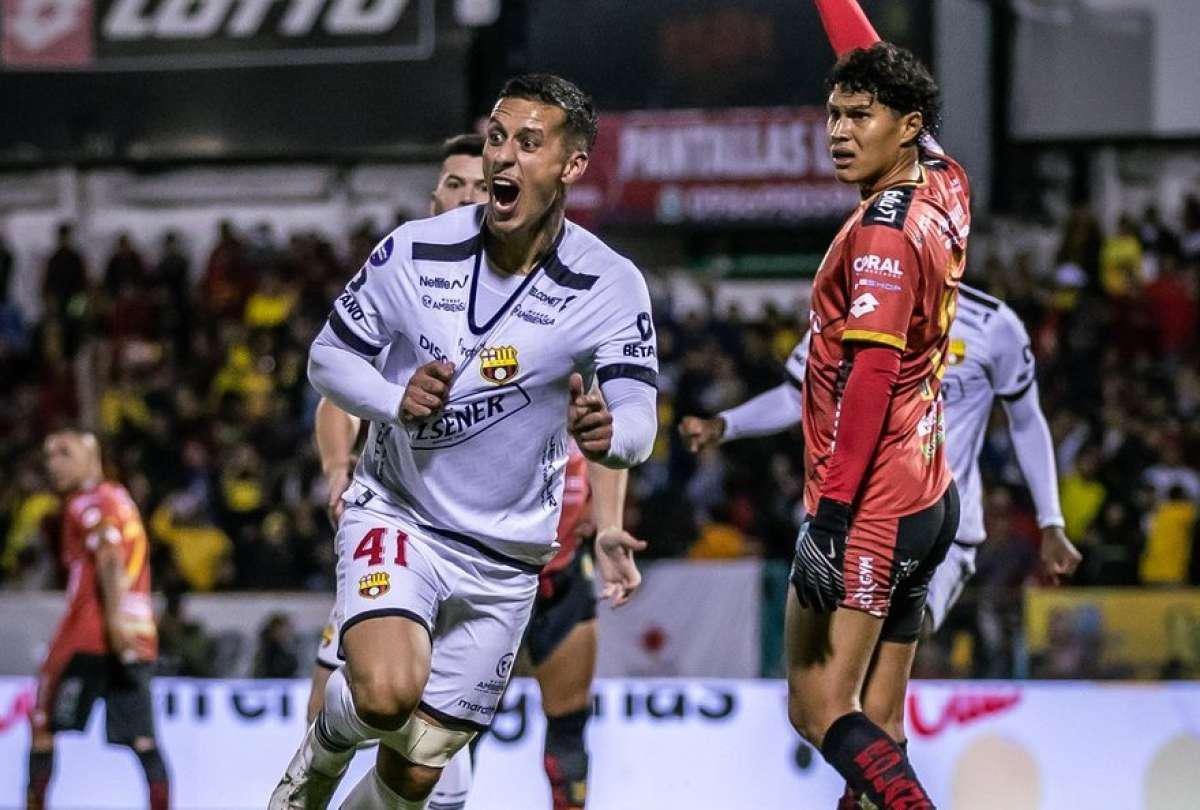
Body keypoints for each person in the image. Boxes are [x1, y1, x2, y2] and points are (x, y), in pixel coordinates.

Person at [271, 73, 658, 810]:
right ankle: (316, 762)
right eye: (497, 139)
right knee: (385, 696)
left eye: (529, 143)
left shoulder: (610, 283)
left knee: (417, 773)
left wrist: (616, 435)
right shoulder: (415, 250)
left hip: (508, 556)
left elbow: (639, 413)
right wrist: (391, 399)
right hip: (400, 515)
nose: (504, 159)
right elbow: (328, 358)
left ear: (573, 165)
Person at [780, 2, 967, 806]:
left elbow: (870, 380)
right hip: (930, 493)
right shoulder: (945, 179)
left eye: (860, 117)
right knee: (879, 722)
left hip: (872, 504)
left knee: (819, 706)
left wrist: (829, 515)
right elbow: (875, 59)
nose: (839, 131)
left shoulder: (884, 234)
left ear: (906, 126)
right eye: (832, 114)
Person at [681, 281, 1082, 632]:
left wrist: (1052, 521)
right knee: (842, 653)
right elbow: (795, 394)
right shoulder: (848, 312)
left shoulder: (993, 325)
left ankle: (895, 710)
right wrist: (724, 425)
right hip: (861, 517)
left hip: (946, 525)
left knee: (896, 637)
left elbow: (1026, 421)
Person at [28, 430, 170, 810]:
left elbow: (108, 559)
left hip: (89, 634)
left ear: (92, 456)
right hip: (139, 634)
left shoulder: (85, 503)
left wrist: (113, 623)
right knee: (143, 741)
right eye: (48, 454)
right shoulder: (120, 498)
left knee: (42, 726)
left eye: (63, 452)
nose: (52, 462)